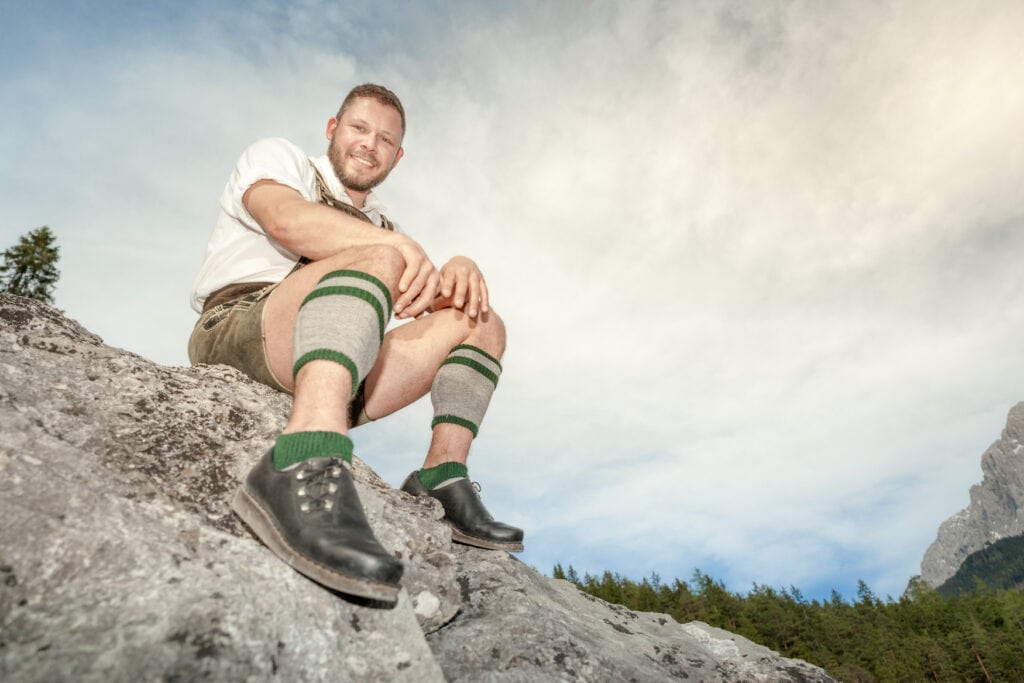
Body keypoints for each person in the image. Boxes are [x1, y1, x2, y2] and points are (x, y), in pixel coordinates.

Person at [188, 83, 523, 602]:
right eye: (359, 128)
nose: (369, 144)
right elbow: (283, 218)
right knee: (380, 257)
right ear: (333, 129)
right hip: (240, 325)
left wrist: (460, 268)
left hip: (334, 354)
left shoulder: (385, 226)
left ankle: (441, 474)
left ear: (397, 155)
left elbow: (428, 291)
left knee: (482, 321)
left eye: (385, 140)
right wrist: (395, 249)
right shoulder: (282, 159)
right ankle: (301, 457)